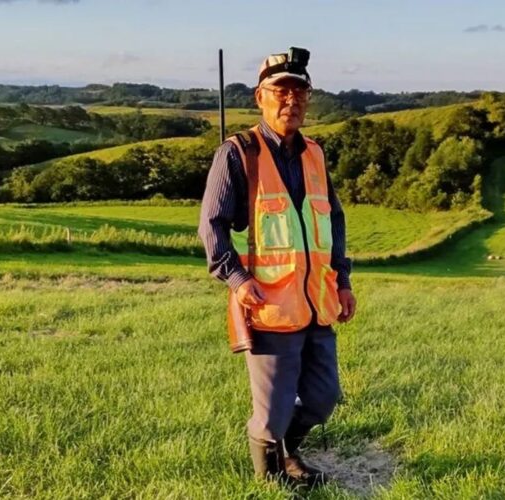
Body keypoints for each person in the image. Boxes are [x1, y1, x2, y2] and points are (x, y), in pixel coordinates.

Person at [199, 47, 357, 486]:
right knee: (272, 411)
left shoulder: (315, 155)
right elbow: (211, 225)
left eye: (300, 91)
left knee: (324, 399)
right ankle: (271, 482)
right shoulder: (238, 154)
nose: (292, 100)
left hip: (318, 304)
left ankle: (289, 450)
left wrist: (342, 281)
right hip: (269, 306)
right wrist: (236, 278)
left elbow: (334, 220)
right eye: (281, 91)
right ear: (260, 97)